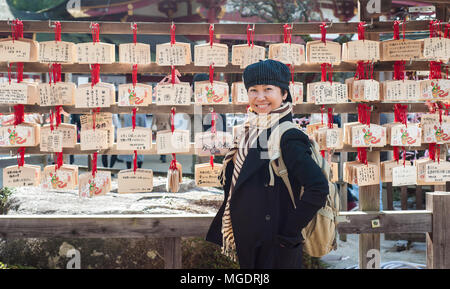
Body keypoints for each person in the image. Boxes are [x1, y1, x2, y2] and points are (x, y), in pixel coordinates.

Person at [205, 60, 329, 269]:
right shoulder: (250, 130)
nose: (260, 97)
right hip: (252, 239)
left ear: (284, 94)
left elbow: (318, 188)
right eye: (253, 90)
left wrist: (287, 233)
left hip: (274, 246)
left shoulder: (288, 135)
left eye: (268, 89)